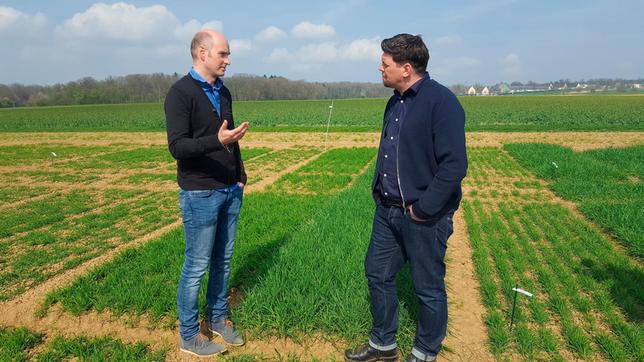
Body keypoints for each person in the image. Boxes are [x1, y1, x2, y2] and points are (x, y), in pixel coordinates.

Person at [345, 34, 467, 362]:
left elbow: (454, 165)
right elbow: (391, 151)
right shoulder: (395, 101)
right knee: (378, 273)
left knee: (427, 287)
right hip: (388, 211)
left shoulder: (441, 102)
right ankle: (383, 346)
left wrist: (424, 209)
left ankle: (425, 352)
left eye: (385, 65)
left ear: (406, 68)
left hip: (424, 215)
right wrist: (378, 192)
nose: (380, 69)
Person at [165, 29, 249, 358]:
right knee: (197, 264)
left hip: (229, 189)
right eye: (223, 54)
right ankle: (188, 335)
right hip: (200, 192)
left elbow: (231, 137)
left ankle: (217, 319)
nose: (228, 60)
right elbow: (178, 147)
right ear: (202, 53)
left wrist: (240, 175)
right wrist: (219, 142)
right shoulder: (180, 93)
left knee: (223, 261)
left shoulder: (223, 91)